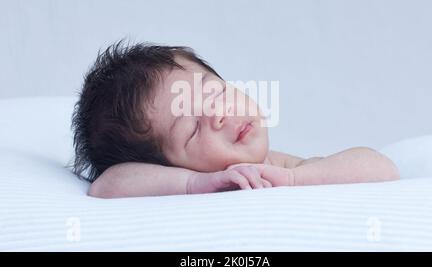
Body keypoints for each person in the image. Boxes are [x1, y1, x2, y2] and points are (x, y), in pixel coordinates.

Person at [71, 41, 399, 198]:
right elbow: (107, 186)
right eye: (192, 129)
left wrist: (296, 181)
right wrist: (194, 184)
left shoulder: (287, 169)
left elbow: (382, 168)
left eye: (214, 92)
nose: (219, 114)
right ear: (168, 168)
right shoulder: (190, 184)